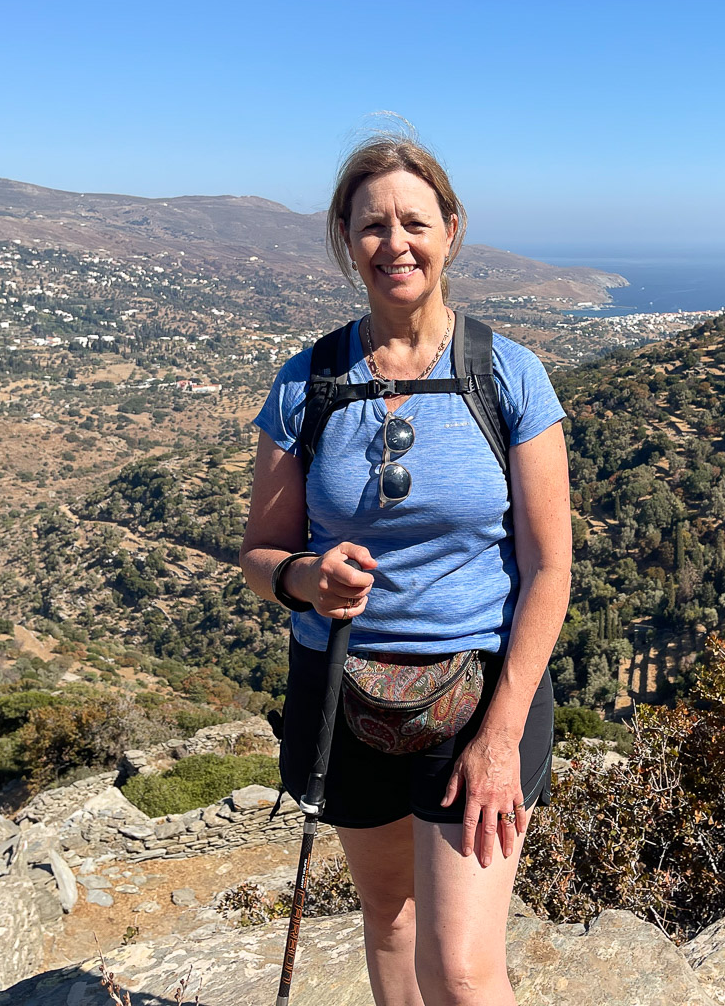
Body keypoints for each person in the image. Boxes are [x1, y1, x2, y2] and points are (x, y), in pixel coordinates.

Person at [240, 132, 571, 1006]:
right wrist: (306, 578)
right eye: (373, 226)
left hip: (476, 696)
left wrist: (501, 739)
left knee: (460, 968)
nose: (396, 243)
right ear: (347, 242)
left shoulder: (507, 376)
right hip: (341, 693)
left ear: (451, 232)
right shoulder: (305, 383)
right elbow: (260, 555)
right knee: (387, 921)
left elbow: (549, 569)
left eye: (414, 222)